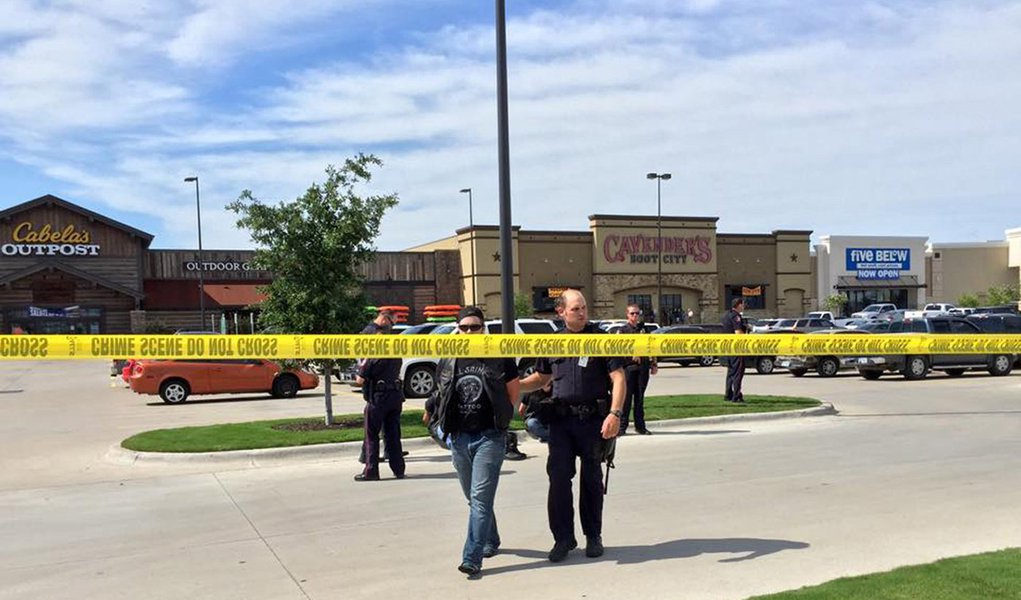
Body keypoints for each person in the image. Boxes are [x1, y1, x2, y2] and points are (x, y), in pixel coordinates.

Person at [520, 289, 627, 563]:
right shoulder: (552, 342)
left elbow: (618, 377)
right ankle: (563, 539)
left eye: (583, 307)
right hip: (561, 421)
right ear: (561, 312)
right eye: (575, 308)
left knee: (591, 480)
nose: (582, 312)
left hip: (592, 420)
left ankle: (594, 536)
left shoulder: (600, 339)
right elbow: (541, 377)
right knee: (558, 480)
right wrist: (515, 388)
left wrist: (615, 413)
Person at [428, 306, 520, 577]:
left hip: (489, 437)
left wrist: (502, 420)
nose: (470, 331)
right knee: (474, 498)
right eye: (465, 327)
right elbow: (441, 392)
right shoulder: (449, 357)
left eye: (475, 327)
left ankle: (472, 557)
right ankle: (490, 539)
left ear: (484, 328)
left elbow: (513, 394)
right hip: (458, 437)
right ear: (457, 329)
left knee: (480, 499)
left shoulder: (498, 355)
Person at [354, 324, 406, 482]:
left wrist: (361, 361)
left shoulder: (372, 356)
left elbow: (359, 380)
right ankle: (398, 469)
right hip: (395, 396)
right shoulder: (396, 354)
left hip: (378, 398)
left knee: (371, 435)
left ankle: (371, 471)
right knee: (393, 434)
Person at [618, 303, 657, 435]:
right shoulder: (622, 331)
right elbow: (618, 350)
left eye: (637, 313)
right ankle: (622, 427)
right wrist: (632, 353)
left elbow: (652, 347)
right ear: (627, 315)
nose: (635, 316)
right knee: (626, 398)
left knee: (639, 399)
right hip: (629, 368)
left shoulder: (644, 330)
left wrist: (654, 363)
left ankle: (640, 426)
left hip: (643, 368)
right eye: (632, 313)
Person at [722, 297, 747, 403]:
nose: (744, 306)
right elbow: (738, 333)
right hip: (737, 348)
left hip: (728, 347)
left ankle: (728, 394)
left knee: (731, 372)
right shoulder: (736, 317)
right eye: (742, 304)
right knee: (738, 372)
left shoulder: (727, 315)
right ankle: (736, 395)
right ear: (738, 305)